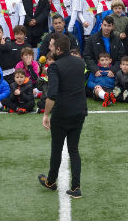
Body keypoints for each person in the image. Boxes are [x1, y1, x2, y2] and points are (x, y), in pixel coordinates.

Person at [39, 34, 87, 199]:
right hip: (80, 111)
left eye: (52, 46)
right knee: (74, 149)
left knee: (56, 149)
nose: (49, 48)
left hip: (62, 114)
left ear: (58, 49)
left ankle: (51, 181)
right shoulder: (80, 63)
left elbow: (52, 95)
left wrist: (46, 114)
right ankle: (76, 187)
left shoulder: (54, 67)